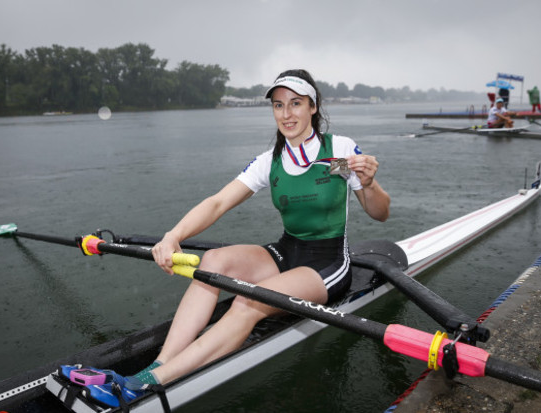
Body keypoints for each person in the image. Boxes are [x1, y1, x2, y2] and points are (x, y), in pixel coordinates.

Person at [123, 69, 391, 391]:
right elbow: (218, 203)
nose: (286, 114)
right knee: (213, 261)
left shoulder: (337, 155)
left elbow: (380, 213)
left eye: (295, 104)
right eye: (278, 106)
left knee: (247, 301)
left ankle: (152, 383)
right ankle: (163, 361)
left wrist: (369, 183)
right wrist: (173, 236)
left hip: (327, 263)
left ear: (313, 106)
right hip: (286, 250)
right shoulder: (271, 162)